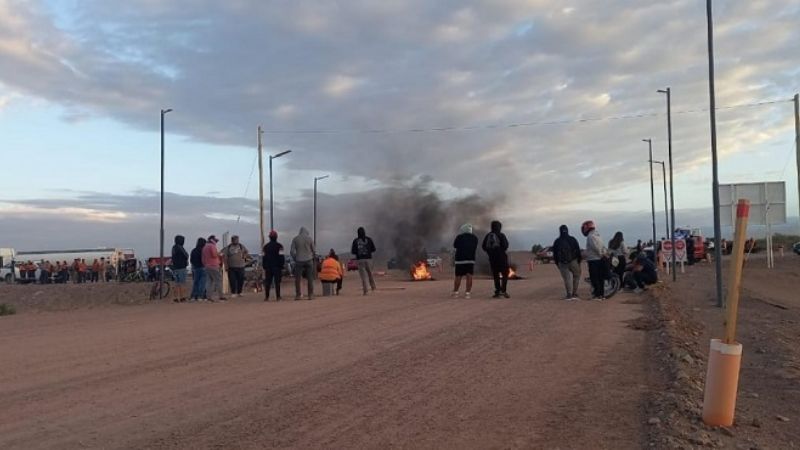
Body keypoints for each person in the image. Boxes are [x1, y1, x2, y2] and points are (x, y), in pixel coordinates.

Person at [552, 224, 582, 301]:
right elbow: (578, 251)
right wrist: (579, 261)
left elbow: (555, 254)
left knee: (567, 278)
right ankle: (574, 293)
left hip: (562, 263)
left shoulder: (557, 241)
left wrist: (557, 263)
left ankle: (569, 294)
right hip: (573, 261)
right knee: (577, 275)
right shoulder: (572, 239)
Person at [482, 220, 510, 298]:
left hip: (492, 259)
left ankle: (497, 291)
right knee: (505, 274)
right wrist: (500, 251)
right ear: (499, 227)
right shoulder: (501, 235)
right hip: (502, 258)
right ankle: (503, 291)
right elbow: (505, 245)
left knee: (496, 275)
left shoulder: (488, 236)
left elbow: (483, 246)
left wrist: (490, 253)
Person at [582, 220, 608, 301]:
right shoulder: (598, 235)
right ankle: (602, 295)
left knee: (594, 278)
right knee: (600, 278)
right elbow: (603, 247)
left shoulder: (590, 236)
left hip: (593, 260)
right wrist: (603, 255)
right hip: (600, 259)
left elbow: (595, 247)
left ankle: (597, 295)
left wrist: (600, 254)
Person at [452, 223, 478, 298]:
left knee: (458, 276)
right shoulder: (475, 238)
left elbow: (455, 245)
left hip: (460, 260)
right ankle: (467, 294)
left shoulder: (459, 237)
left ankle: (456, 293)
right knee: (469, 276)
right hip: (470, 260)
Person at [290, 227, 316, 300]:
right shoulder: (310, 239)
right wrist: (312, 257)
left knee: (297, 279)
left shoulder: (295, 239)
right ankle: (310, 295)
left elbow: (292, 251)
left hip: (299, 260)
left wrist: (295, 258)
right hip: (309, 260)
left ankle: (298, 295)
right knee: (310, 278)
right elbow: (314, 251)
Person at [350, 227, 377, 295]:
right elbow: (374, 249)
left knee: (363, 276)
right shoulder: (369, 239)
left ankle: (366, 291)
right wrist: (368, 251)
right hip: (369, 259)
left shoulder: (355, 241)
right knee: (370, 274)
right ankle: (373, 287)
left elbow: (353, 251)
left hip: (360, 260)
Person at [262, 230, 285, 301]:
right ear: (276, 237)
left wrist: (264, 266)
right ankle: (278, 297)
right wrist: (282, 265)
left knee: (267, 282)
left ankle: (267, 297)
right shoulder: (280, 246)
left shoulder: (265, 247)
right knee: (277, 282)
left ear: (269, 237)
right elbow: (282, 257)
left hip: (268, 267)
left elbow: (264, 257)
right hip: (277, 267)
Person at [202, 235, 225, 302]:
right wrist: (219, 254)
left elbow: (203, 258)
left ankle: (208, 296)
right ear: (213, 240)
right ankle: (221, 296)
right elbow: (214, 255)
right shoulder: (212, 246)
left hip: (207, 266)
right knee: (218, 281)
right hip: (214, 265)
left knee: (209, 281)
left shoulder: (205, 247)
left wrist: (205, 264)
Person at [171, 235, 189, 303]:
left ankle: (175, 297)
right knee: (182, 283)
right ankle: (182, 297)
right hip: (181, 267)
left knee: (176, 283)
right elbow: (186, 255)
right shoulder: (180, 247)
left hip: (175, 267)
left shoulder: (173, 248)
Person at [189, 237, 207, 301]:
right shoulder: (203, 250)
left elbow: (191, 260)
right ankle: (200, 296)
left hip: (195, 268)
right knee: (202, 283)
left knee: (195, 282)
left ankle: (193, 296)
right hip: (203, 267)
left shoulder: (193, 250)